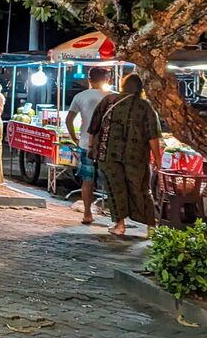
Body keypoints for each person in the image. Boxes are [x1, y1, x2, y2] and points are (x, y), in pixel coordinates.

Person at [87, 74, 161, 237]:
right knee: (141, 189)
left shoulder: (109, 100)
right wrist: (158, 158)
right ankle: (151, 226)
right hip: (136, 157)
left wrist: (91, 147)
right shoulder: (145, 106)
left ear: (123, 85)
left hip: (108, 154)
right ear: (140, 88)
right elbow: (153, 136)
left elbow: (93, 126)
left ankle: (120, 225)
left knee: (115, 188)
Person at [66, 67, 111, 224]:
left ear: (89, 80)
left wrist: (75, 138)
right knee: (112, 180)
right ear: (108, 80)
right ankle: (118, 219)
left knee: (87, 180)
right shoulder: (115, 97)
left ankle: (87, 214)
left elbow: (69, 120)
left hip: (86, 144)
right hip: (109, 145)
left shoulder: (80, 96)